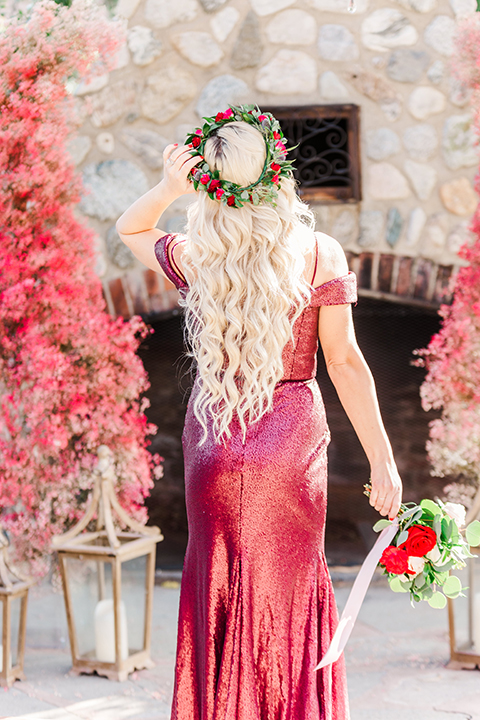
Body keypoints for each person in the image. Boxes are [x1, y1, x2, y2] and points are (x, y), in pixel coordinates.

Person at [116, 106, 403, 720]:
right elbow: (346, 362)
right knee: (289, 592)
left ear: (210, 181)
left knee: (216, 586)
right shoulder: (318, 252)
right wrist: (383, 459)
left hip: (214, 440)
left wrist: (167, 189)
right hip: (290, 446)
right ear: (278, 170)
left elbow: (130, 230)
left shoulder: (200, 252)